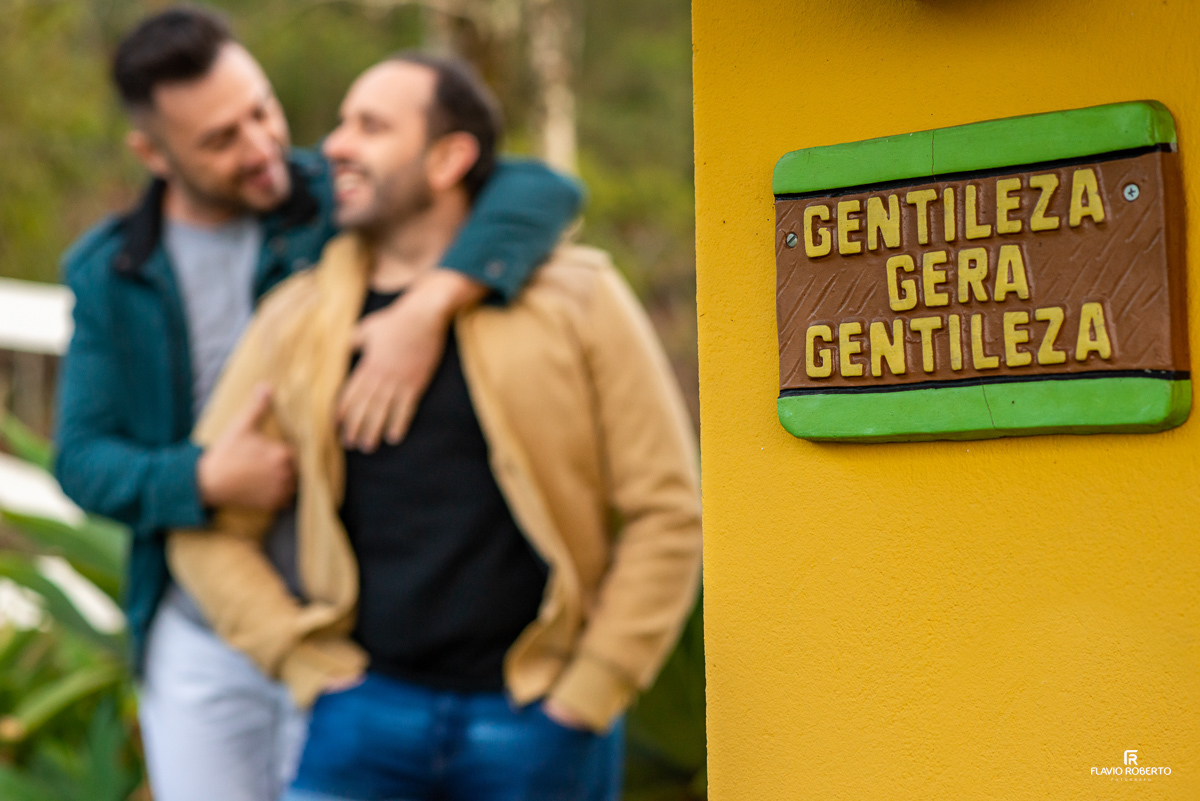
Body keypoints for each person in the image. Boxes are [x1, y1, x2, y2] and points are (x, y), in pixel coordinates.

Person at [53, 8, 582, 801]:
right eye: (220, 140)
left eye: (260, 110)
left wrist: (426, 307)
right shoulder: (111, 272)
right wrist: (205, 479)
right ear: (152, 154)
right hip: (200, 636)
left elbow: (539, 189)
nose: (262, 145)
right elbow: (83, 459)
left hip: (349, 633)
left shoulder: (338, 194)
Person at [166, 52, 702, 800]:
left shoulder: (580, 299)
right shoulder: (296, 319)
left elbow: (667, 511)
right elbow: (206, 525)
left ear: (450, 157)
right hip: (359, 720)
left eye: (372, 126)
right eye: (343, 120)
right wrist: (304, 665)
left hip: (540, 723)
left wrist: (590, 689)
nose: (335, 146)